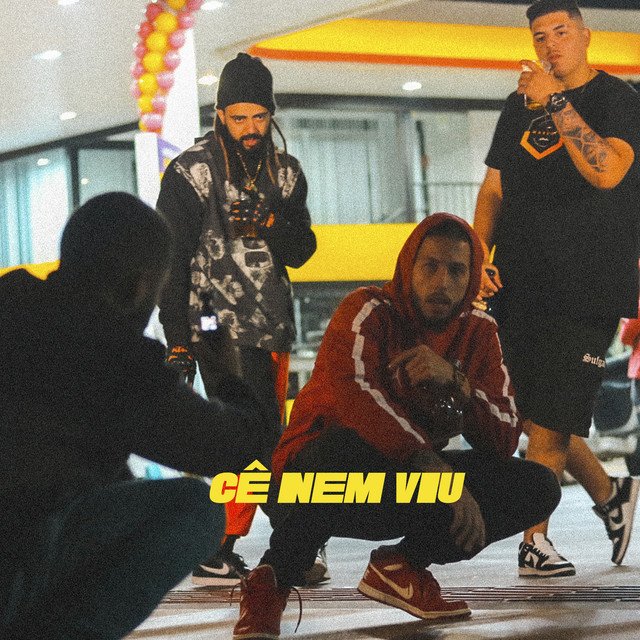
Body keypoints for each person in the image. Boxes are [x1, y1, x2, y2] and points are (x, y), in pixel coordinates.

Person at [232, 213, 561, 638]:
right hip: (312, 484)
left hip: (401, 486)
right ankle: (272, 580)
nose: (442, 282)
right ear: (408, 266)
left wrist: (456, 382)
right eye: (430, 266)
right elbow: (357, 398)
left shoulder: (480, 332)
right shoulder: (366, 310)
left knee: (537, 485)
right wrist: (430, 464)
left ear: (471, 277)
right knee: (342, 446)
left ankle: (401, 567)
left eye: (456, 270)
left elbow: (504, 436)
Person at [0, 192, 267, 640]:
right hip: (14, 558)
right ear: (139, 287)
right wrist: (227, 375)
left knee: (111, 480)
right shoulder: (114, 356)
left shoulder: (11, 301)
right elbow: (236, 449)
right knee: (197, 508)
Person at [473, 0, 640, 577]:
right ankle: (611, 494)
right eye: (540, 35)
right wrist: (477, 255)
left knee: (549, 422)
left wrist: (556, 102)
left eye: (561, 31)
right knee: (527, 411)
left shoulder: (618, 99)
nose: (550, 44)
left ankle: (534, 541)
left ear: (586, 35)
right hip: (519, 280)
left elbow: (607, 171)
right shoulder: (517, 106)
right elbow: (494, 189)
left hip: (587, 285)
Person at [156, 52, 317, 585]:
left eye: (259, 116)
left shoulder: (286, 173)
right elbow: (171, 260)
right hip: (213, 324)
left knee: (264, 435)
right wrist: (178, 339)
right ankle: (281, 539)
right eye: (238, 117)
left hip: (273, 324)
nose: (250, 128)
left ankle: (235, 545)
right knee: (256, 432)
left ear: (271, 114)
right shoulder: (191, 171)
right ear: (220, 114)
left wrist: (272, 223)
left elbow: (303, 251)